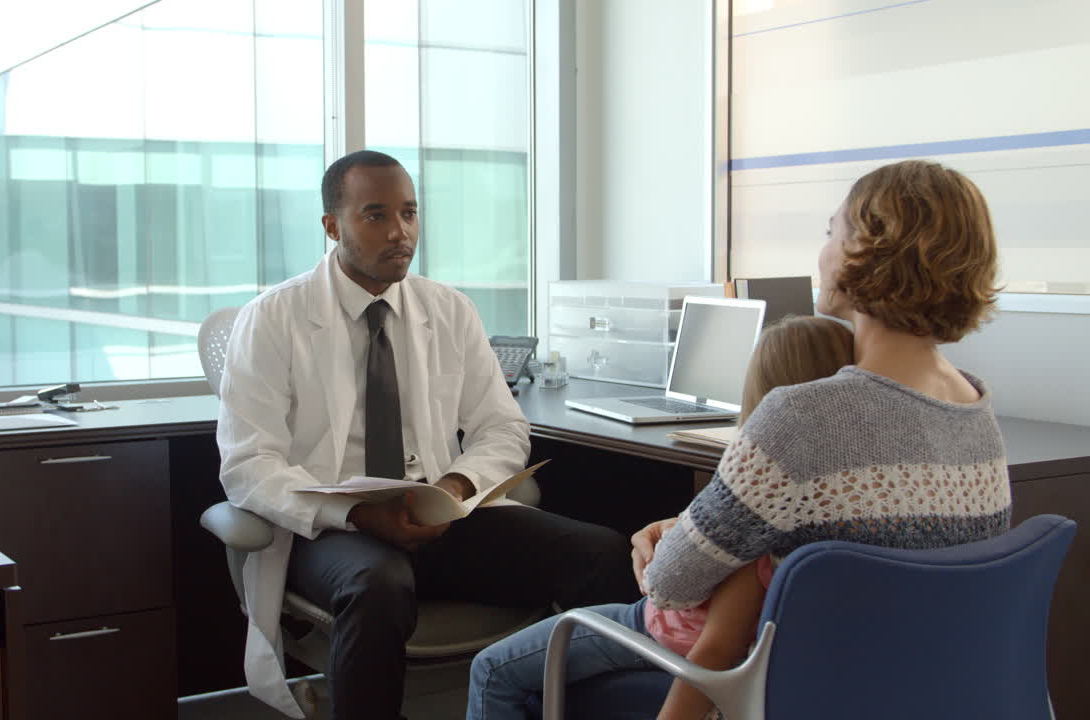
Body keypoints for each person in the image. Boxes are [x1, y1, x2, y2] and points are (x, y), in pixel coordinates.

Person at [466, 159, 1013, 720]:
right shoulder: (976, 410)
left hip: (793, 688)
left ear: (866, 251)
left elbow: (672, 584)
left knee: (503, 670)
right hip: (912, 690)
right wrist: (704, 527)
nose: (822, 253)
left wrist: (673, 538)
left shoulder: (804, 417)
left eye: (832, 232)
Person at [217, 149, 637, 720]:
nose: (400, 232)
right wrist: (362, 515)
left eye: (410, 213)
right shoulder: (272, 319)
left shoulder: (449, 309)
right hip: (329, 527)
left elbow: (501, 426)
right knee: (376, 584)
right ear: (332, 225)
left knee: (603, 555)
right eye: (375, 215)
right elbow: (249, 465)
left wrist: (458, 487)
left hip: (439, 516)